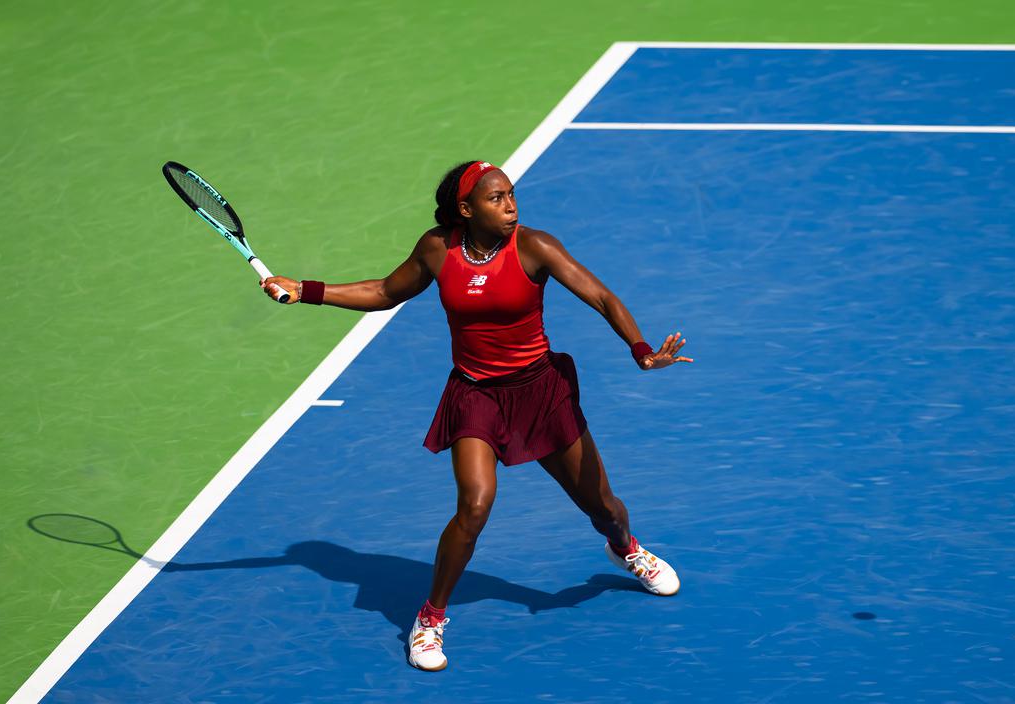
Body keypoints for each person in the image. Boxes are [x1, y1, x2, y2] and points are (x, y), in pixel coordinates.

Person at [262, 160, 693, 671]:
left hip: (540, 392)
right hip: (476, 396)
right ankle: (430, 618)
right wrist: (307, 290)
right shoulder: (437, 248)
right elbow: (385, 292)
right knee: (475, 504)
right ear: (466, 210)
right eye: (496, 199)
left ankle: (625, 548)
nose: (511, 205)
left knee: (603, 506)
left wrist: (641, 350)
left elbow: (600, 295)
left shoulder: (535, 246)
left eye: (511, 195)